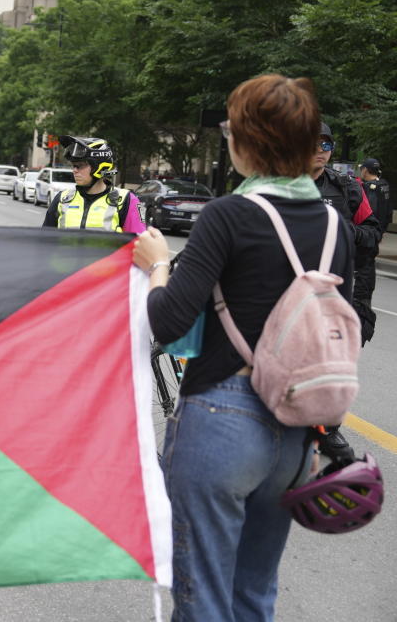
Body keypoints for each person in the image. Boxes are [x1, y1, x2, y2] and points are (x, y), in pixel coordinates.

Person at [134, 74, 355, 622]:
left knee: (203, 597)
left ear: (249, 141)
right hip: (295, 434)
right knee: (254, 594)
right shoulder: (334, 225)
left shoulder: (228, 214)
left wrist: (158, 263)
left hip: (222, 419)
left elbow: (167, 318)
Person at [310, 122, 380, 346]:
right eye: (312, 143)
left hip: (334, 297)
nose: (320, 149)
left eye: (325, 144)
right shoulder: (278, 187)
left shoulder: (347, 188)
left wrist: (361, 305)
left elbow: (372, 235)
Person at [43, 136, 146, 233]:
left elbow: (139, 242)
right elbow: (44, 241)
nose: (74, 170)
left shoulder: (126, 201)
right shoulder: (62, 199)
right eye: (73, 166)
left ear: (99, 167)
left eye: (80, 166)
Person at [358, 158, 390, 234]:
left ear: (365, 170)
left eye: (361, 169)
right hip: (381, 227)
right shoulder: (384, 184)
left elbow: (370, 211)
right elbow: (389, 209)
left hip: (370, 230)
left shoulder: (368, 187)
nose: (361, 171)